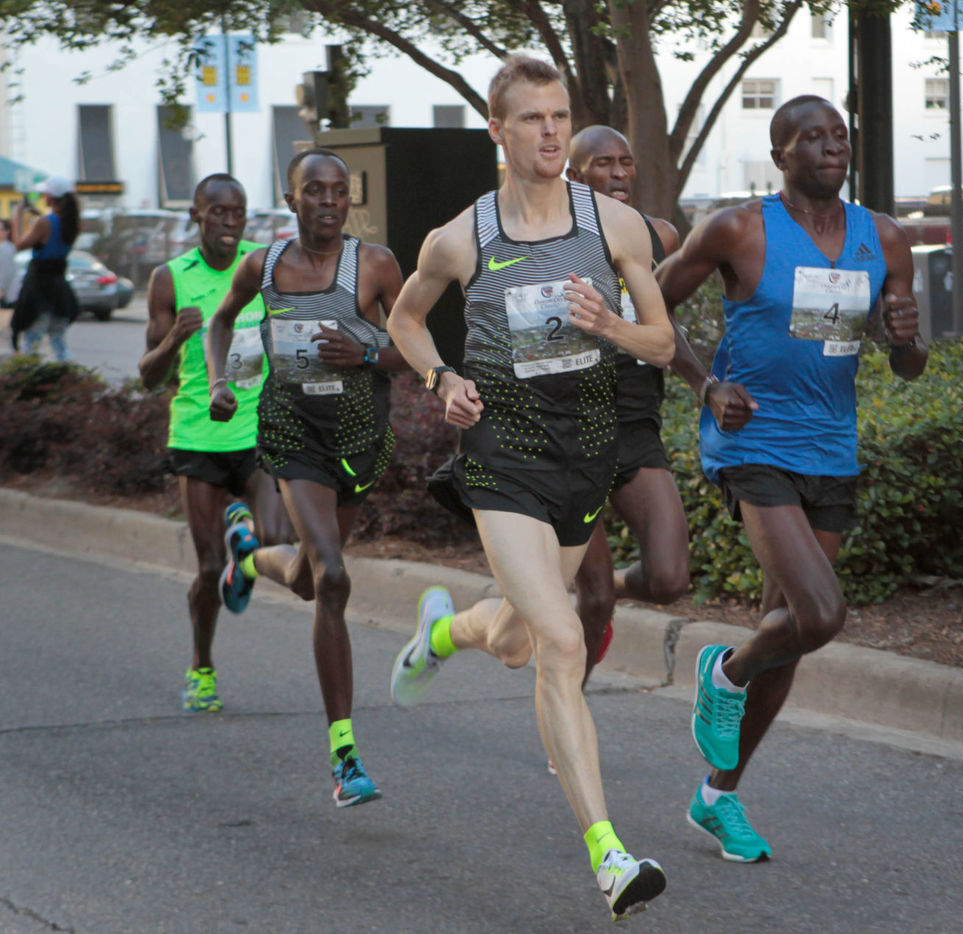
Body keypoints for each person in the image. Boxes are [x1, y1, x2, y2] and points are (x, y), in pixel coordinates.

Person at [387, 56, 675, 921]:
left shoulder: (615, 225)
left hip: (582, 458)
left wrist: (610, 323)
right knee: (559, 641)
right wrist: (441, 379)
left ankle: (445, 632)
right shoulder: (461, 239)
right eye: (533, 120)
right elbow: (404, 318)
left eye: (559, 117)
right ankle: (609, 855)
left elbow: (661, 343)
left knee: (514, 638)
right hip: (502, 457)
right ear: (498, 132)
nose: (551, 132)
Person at [656, 94, 926, 863]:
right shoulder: (738, 229)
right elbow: (649, 306)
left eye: (840, 134)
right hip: (755, 443)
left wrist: (904, 342)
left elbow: (909, 366)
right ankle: (724, 669)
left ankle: (717, 796)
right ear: (781, 155)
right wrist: (706, 385)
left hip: (831, 451)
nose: (832, 146)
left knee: (793, 635)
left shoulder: (886, 240)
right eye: (812, 137)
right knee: (821, 612)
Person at [206, 148, 405, 808]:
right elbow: (220, 322)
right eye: (313, 190)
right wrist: (219, 383)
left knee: (307, 580)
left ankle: (249, 555)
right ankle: (344, 757)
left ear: (351, 201)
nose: (327, 200)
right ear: (290, 199)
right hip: (293, 437)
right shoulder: (264, 266)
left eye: (338, 191)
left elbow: (416, 345)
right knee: (336, 577)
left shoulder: (374, 265)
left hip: (357, 438)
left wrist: (370, 349)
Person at [139, 173, 293, 714]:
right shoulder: (170, 279)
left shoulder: (262, 266)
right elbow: (148, 377)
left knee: (278, 538)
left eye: (238, 213)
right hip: (200, 438)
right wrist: (177, 338)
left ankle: (242, 534)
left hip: (256, 433)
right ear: (195, 216)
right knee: (207, 571)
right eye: (217, 213)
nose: (230, 223)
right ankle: (202, 667)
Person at [564, 125, 689, 688]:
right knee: (591, 600)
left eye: (626, 162)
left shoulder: (659, 236)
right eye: (602, 164)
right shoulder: (550, 244)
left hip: (635, 424)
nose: (618, 174)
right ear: (573, 174)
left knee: (668, 579)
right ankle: (570, 706)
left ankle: (597, 592)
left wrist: (706, 384)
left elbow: (668, 329)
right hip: (567, 432)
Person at [10, 176, 80, 359]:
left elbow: (18, 244)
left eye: (46, 193)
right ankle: (68, 381)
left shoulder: (44, 223)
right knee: (58, 342)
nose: (43, 195)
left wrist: (17, 215)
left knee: (31, 341)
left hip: (39, 290)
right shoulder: (73, 223)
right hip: (60, 290)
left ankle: (27, 380)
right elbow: (53, 232)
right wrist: (37, 215)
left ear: (51, 197)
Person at [0, 220, 17, 309]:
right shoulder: (10, 247)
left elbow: (6, 273)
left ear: (7, 231)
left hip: (6, 297)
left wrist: (1, 289)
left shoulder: (4, 248)